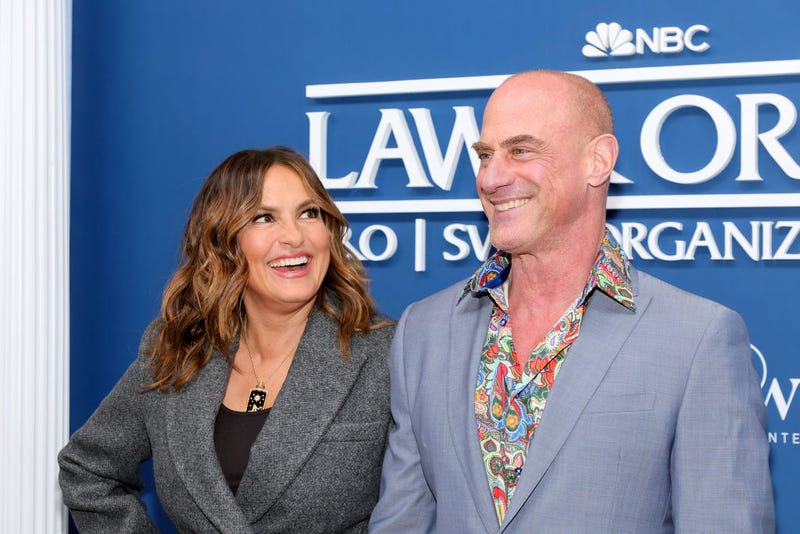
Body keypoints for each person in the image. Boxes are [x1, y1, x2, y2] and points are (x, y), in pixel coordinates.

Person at [368, 71, 774, 533]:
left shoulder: (697, 339)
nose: (491, 177)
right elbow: (402, 521)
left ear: (597, 161)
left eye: (521, 150)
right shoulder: (424, 329)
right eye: (485, 155)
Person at [59, 146, 394, 533]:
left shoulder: (387, 353)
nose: (294, 236)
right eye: (264, 218)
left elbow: (426, 503)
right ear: (224, 242)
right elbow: (88, 469)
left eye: (309, 213)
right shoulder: (178, 350)